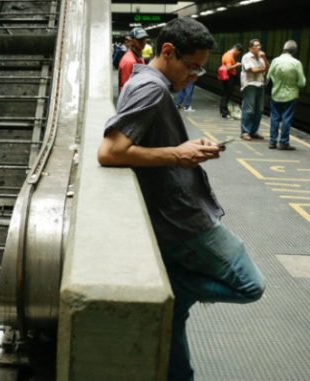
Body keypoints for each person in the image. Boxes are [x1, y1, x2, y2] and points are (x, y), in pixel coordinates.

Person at [98, 17, 265, 381]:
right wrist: (179, 155)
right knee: (251, 285)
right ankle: (176, 284)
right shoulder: (153, 89)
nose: (196, 75)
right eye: (191, 66)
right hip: (184, 219)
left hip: (172, 211)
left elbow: (145, 142)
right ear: (168, 52)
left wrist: (187, 148)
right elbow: (110, 152)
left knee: (175, 320)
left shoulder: (147, 80)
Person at [267, 40, 306, 150]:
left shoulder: (275, 61)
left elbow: (268, 77)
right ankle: (283, 142)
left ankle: (272, 141)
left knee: (274, 118)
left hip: (276, 94)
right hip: (290, 96)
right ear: (294, 51)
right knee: (286, 119)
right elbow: (301, 83)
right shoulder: (296, 63)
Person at [240, 39, 269, 141]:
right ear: (250, 48)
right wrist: (263, 69)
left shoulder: (261, 58)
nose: (259, 47)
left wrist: (264, 57)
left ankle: (254, 131)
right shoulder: (246, 57)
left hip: (260, 84)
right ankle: (245, 132)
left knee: (259, 110)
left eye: (259, 45)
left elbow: (267, 67)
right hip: (249, 85)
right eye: (256, 46)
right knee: (249, 109)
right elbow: (252, 70)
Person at [118, 27, 149, 93]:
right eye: (140, 39)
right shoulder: (129, 61)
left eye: (144, 39)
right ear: (132, 41)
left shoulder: (139, 57)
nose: (143, 42)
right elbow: (127, 89)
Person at [219, 44, 243, 118]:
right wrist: (237, 64)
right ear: (236, 49)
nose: (237, 54)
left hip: (227, 76)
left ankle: (224, 110)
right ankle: (224, 112)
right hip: (229, 77)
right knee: (226, 94)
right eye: (238, 53)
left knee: (226, 94)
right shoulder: (229, 56)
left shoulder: (227, 54)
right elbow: (228, 68)